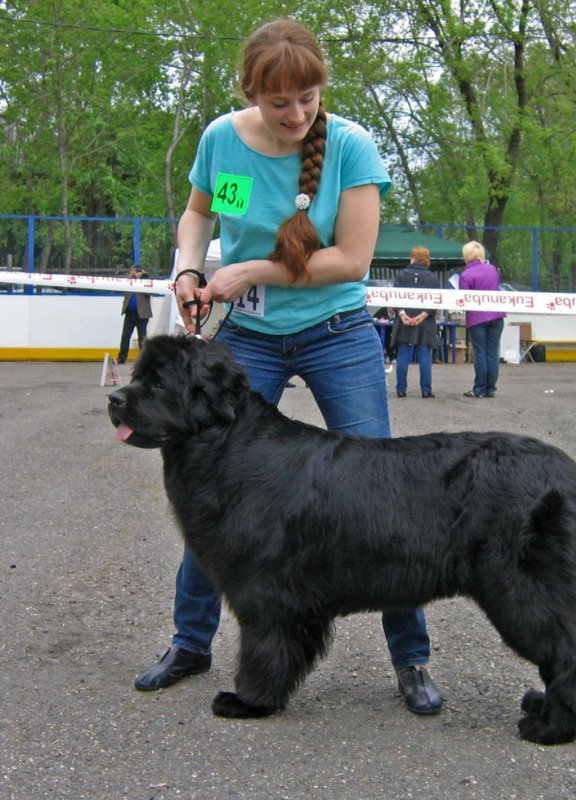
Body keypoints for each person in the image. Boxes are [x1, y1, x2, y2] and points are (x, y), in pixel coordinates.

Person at [134, 19, 443, 716]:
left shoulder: (351, 147)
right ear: (252, 93)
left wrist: (252, 270)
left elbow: (352, 260)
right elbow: (197, 214)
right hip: (250, 336)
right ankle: (190, 643)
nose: (297, 113)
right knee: (213, 495)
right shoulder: (220, 139)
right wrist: (190, 268)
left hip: (337, 332)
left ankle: (412, 657)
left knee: (385, 494)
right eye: (281, 103)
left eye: (308, 97)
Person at [458, 241, 506, 398]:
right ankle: (491, 388)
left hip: (477, 318)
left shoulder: (465, 275)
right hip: (497, 315)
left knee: (480, 353)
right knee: (492, 352)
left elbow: (463, 299)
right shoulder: (492, 270)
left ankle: (479, 389)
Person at [392, 246, 440, 398]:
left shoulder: (402, 275)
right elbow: (436, 300)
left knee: (403, 354)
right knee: (424, 354)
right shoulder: (433, 277)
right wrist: (423, 315)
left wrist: (402, 314)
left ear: (412, 258)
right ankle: (426, 390)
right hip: (425, 323)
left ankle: (401, 389)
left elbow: (394, 296)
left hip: (403, 320)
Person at [116, 265, 152, 364]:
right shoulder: (128, 281)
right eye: (136, 271)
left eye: (139, 271)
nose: (137, 273)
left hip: (142, 314)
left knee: (142, 338)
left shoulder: (146, 281)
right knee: (125, 336)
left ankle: (143, 359)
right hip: (129, 313)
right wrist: (130, 275)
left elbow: (150, 292)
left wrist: (143, 277)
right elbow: (118, 282)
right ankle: (122, 357)